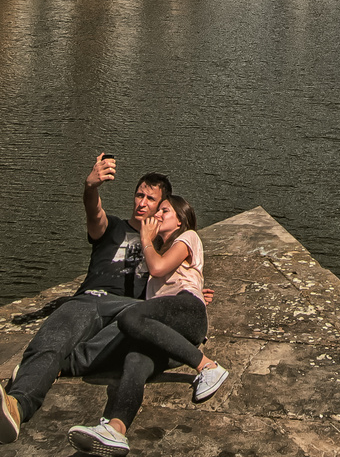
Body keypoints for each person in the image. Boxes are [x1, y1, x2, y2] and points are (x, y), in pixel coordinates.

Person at [0, 156, 171, 444]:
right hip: (90, 300)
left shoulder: (164, 243)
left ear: (161, 207)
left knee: (144, 328)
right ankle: (16, 407)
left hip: (129, 309)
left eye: (150, 199)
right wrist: (91, 187)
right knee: (53, 339)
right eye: (139, 194)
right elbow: (95, 213)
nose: (141, 202)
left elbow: (176, 277)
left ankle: (46, 368)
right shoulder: (112, 227)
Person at [66, 195, 228, 456]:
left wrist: (145, 239)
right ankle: (116, 429)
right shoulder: (158, 249)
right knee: (135, 362)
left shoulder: (188, 237)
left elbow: (158, 267)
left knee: (130, 317)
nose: (158, 214)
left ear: (180, 221)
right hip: (167, 331)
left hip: (186, 312)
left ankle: (207, 366)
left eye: (165, 210)